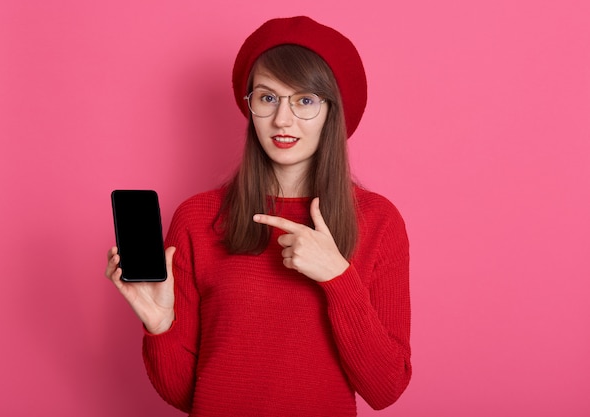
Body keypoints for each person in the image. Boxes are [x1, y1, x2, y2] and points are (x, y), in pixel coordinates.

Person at [105, 16, 411, 417]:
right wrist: (160, 325)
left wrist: (338, 278)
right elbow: (188, 396)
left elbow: (385, 388)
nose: (282, 119)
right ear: (250, 106)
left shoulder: (378, 221)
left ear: (332, 112)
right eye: (268, 98)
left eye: (304, 100)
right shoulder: (198, 219)